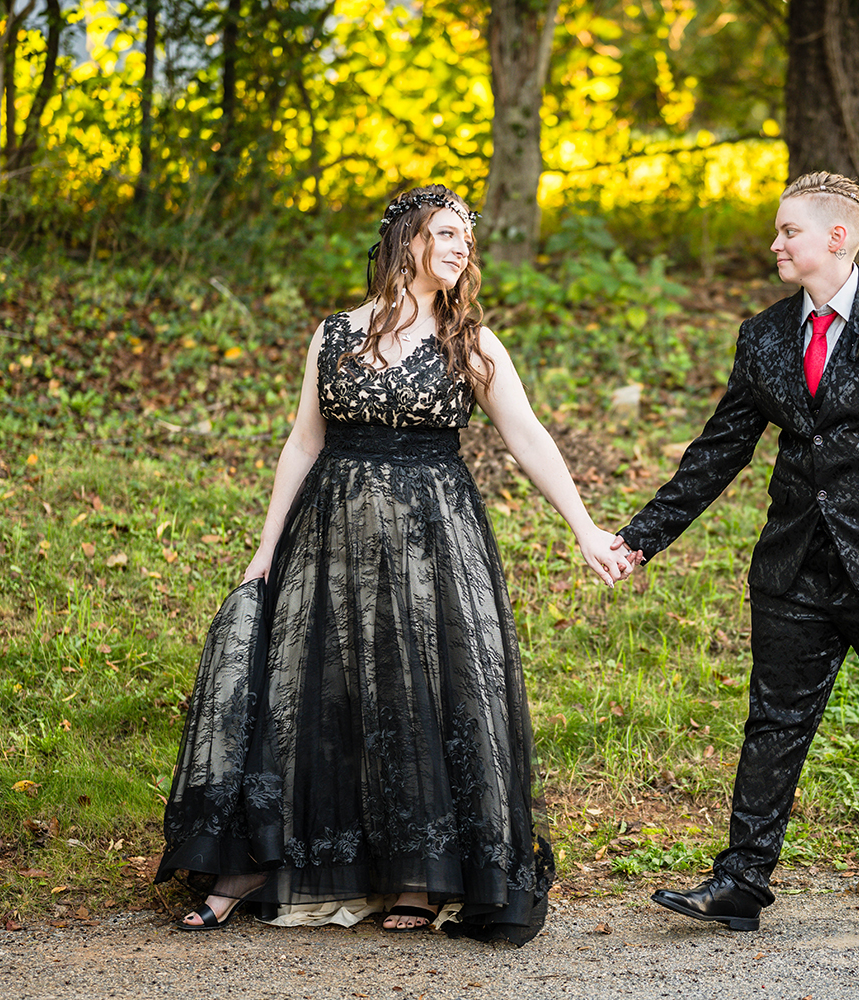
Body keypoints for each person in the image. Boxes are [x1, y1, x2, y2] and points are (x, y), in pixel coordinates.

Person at [155, 185, 632, 944]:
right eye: (446, 233)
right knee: (314, 693)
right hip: (330, 534)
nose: (460, 248)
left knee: (423, 692)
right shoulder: (335, 334)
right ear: (406, 240)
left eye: (467, 239)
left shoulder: (469, 340)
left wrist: (584, 527)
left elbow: (528, 436)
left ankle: (421, 872)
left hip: (433, 541)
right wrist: (265, 548)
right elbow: (303, 444)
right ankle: (262, 866)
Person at [611, 172, 859, 943]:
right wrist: (641, 539)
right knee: (774, 721)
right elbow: (716, 453)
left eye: (787, 231)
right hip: (794, 566)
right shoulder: (763, 336)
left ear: (839, 237)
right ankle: (741, 882)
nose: (774, 244)